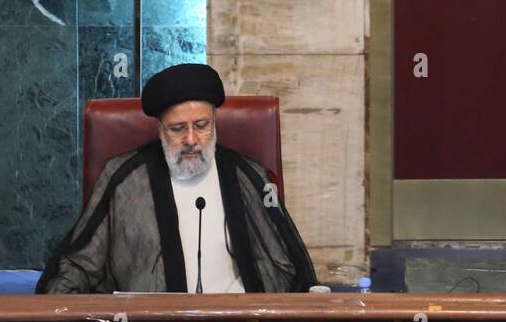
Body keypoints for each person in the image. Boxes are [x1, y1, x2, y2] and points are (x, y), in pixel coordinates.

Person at [38, 63, 317, 293]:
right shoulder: (124, 179)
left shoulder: (248, 176)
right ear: (160, 129)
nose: (192, 140)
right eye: (178, 128)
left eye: (202, 125)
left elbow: (289, 265)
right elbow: (79, 264)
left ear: (215, 122)